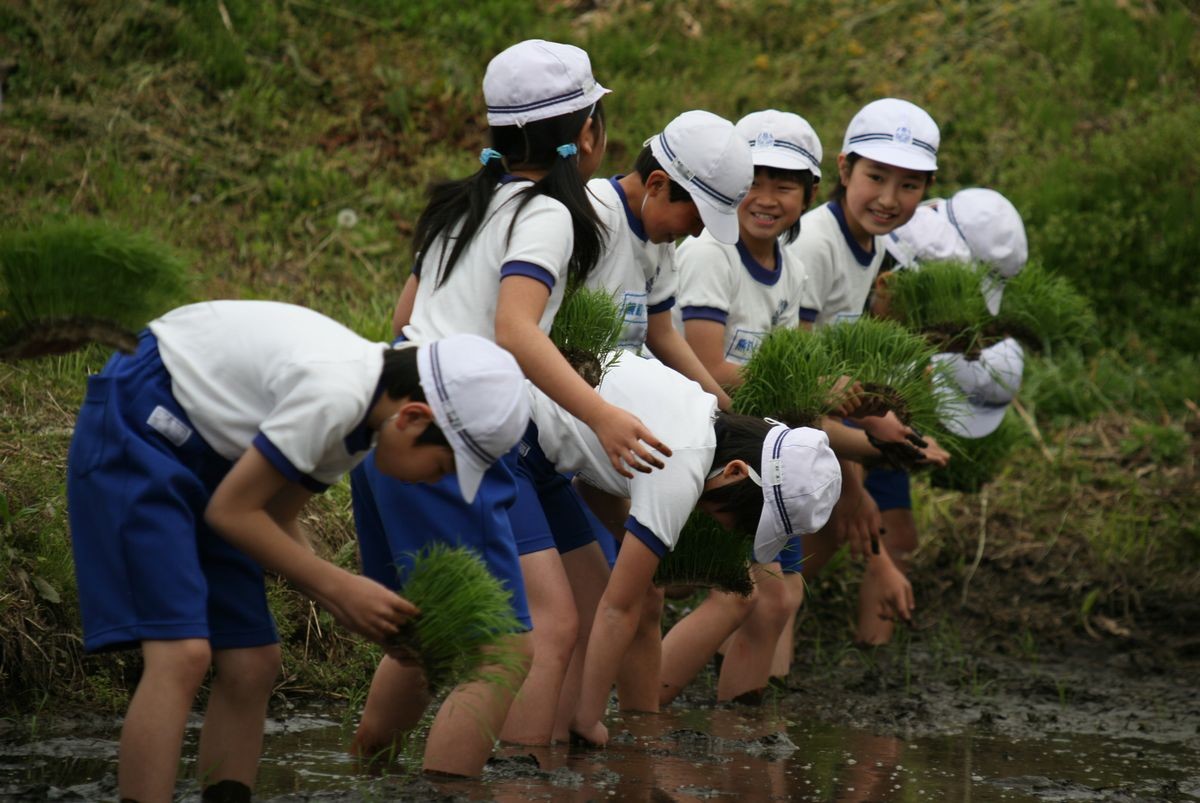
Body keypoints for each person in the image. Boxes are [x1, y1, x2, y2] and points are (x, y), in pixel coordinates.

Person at [349, 39, 670, 776]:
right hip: (450, 431)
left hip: (407, 416)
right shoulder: (548, 215)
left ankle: (371, 766)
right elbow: (514, 328)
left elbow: (405, 320)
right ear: (588, 134)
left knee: (474, 619)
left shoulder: (463, 204)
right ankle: (474, 781)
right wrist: (602, 414)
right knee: (516, 638)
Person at [65, 300, 529, 803]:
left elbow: (273, 516)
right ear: (412, 418)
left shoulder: (358, 431)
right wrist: (340, 587)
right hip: (143, 422)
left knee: (254, 661)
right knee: (181, 655)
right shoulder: (336, 394)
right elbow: (232, 514)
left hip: (213, 456)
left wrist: (348, 605)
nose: (433, 481)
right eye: (441, 466)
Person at [495, 109, 755, 743]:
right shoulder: (588, 222)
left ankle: (637, 736)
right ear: (660, 183)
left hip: (622, 436)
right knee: (597, 604)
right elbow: (531, 330)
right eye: (693, 216)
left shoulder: (657, 241)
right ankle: (564, 730)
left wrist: (723, 410)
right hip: (569, 434)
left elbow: (662, 335)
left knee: (641, 598)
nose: (692, 234)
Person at [544, 349, 843, 747]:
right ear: (736, 470)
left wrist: (647, 556)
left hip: (543, 454)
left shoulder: (700, 411)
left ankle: (581, 729)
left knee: (601, 605)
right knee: (566, 622)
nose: (727, 528)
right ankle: (562, 728)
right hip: (519, 442)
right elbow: (619, 609)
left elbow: (593, 483)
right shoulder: (681, 465)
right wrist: (590, 720)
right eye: (744, 521)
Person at [659, 109, 824, 703]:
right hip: (713, 438)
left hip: (761, 439)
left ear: (810, 194)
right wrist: (805, 393)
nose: (766, 197)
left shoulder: (794, 270)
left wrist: (817, 393)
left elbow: (795, 370)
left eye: (786, 184)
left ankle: (748, 717)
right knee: (747, 591)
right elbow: (708, 367)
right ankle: (648, 707)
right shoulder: (710, 253)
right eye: (754, 179)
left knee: (782, 594)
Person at [781, 98, 949, 655]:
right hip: (768, 417)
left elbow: (839, 380)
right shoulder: (817, 242)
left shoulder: (869, 248)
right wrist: (857, 483)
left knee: (809, 551)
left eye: (909, 185)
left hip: (810, 427)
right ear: (844, 168)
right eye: (876, 177)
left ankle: (754, 672)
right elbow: (798, 378)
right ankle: (745, 665)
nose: (889, 199)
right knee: (794, 558)